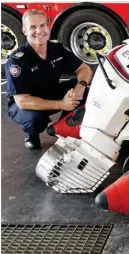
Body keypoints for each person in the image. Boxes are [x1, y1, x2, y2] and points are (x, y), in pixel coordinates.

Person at [5, 9, 93, 150]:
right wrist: (62, 104)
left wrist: (79, 88)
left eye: (42, 25)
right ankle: (31, 135)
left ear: (48, 26)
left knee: (87, 91)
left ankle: (63, 127)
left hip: (49, 91)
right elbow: (22, 101)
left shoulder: (56, 47)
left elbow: (85, 69)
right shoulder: (17, 60)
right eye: (33, 27)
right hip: (25, 103)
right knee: (35, 120)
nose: (39, 31)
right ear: (24, 30)